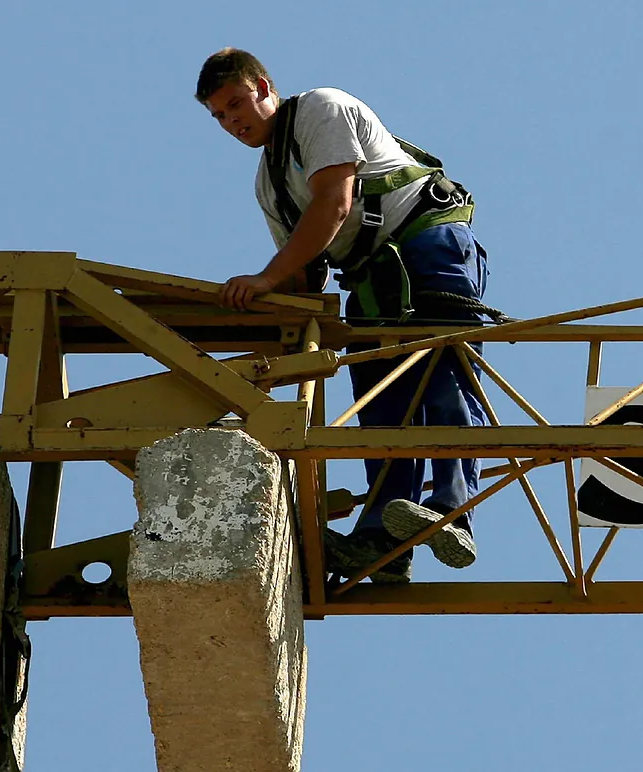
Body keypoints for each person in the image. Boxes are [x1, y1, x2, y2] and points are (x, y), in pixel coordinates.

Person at [197, 48, 493, 583]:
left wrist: (263, 279)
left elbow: (334, 202)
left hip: (425, 244)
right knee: (381, 401)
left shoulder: (320, 110)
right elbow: (305, 274)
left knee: (444, 372)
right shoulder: (269, 183)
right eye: (218, 116)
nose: (231, 122)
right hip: (373, 280)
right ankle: (384, 535)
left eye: (236, 104)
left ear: (264, 86)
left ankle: (453, 510)